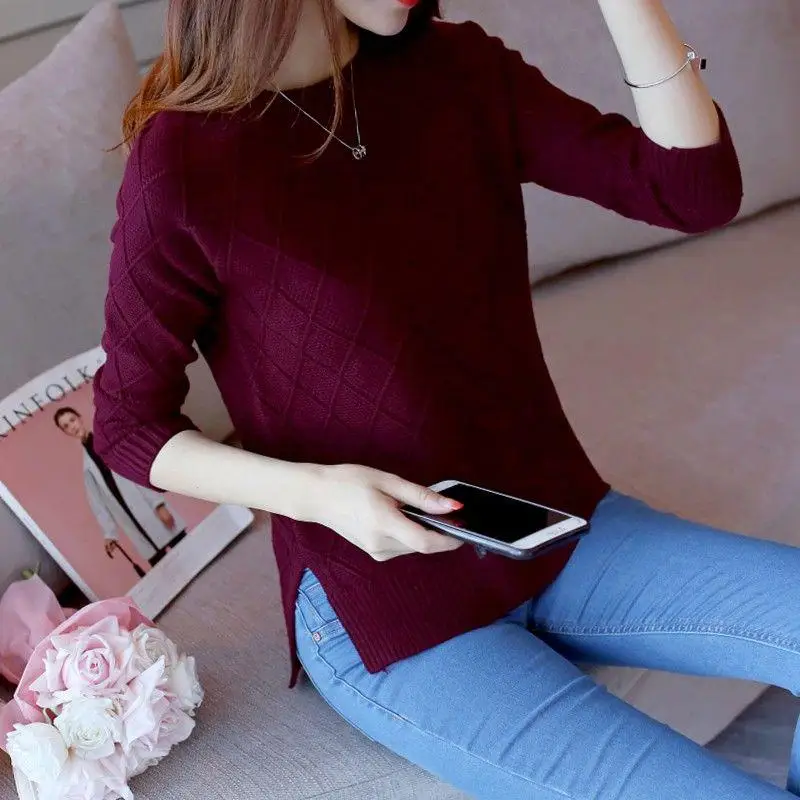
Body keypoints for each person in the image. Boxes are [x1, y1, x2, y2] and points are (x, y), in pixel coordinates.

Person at [90, 0, 800, 797]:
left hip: (555, 528)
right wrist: (320, 494)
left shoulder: (460, 68)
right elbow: (127, 424)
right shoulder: (184, 161)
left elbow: (692, 190)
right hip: (385, 605)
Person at [54, 407, 187, 569]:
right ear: (64, 432)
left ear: (80, 418)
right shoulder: (86, 469)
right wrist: (109, 534)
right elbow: (98, 504)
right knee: (165, 571)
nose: (72, 427)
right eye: (66, 426)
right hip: (130, 521)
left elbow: (139, 472)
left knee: (188, 552)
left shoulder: (111, 443)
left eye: (72, 420)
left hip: (150, 510)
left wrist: (158, 505)